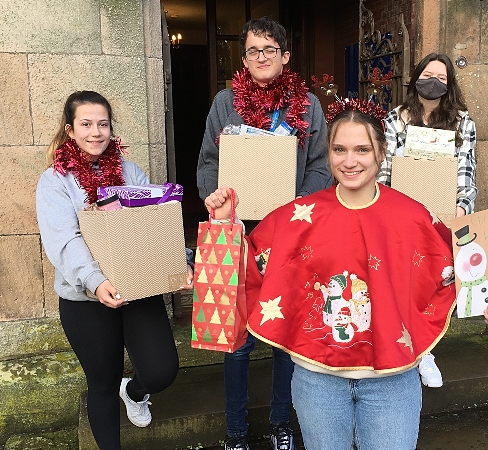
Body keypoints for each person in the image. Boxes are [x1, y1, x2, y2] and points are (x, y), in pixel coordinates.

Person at [205, 97, 488, 450]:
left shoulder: (413, 216)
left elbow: (454, 271)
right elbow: (249, 265)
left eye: (361, 149)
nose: (349, 161)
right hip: (316, 380)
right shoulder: (297, 216)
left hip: (393, 381)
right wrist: (223, 224)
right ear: (329, 154)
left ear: (381, 153)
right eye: (340, 149)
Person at [197, 16, 332, 450]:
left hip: (291, 234)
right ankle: (235, 432)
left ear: (285, 56)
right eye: (253, 50)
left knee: (282, 335)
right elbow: (207, 163)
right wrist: (214, 196)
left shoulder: (307, 105)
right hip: (238, 233)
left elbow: (320, 166)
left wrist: (296, 207)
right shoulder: (224, 103)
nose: (261, 57)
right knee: (235, 340)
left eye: (269, 50)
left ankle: (281, 423)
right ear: (244, 58)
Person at [36, 91, 191, 450]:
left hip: (137, 288)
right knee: (102, 384)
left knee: (161, 371)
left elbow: (153, 223)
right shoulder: (55, 181)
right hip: (86, 300)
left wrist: (178, 262)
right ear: (70, 130)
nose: (95, 131)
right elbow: (65, 241)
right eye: (86, 124)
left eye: (102, 124)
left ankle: (134, 392)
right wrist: (95, 280)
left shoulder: (128, 171)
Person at [377, 52, 478, 388]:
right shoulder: (396, 119)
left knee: (432, 285)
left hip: (442, 217)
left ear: (449, 86)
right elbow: (383, 172)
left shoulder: (463, 123)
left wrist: (461, 210)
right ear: (416, 78)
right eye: (427, 75)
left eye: (441, 78)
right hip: (403, 216)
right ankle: (418, 351)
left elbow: (466, 173)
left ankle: (425, 346)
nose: (433, 82)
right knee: (403, 281)